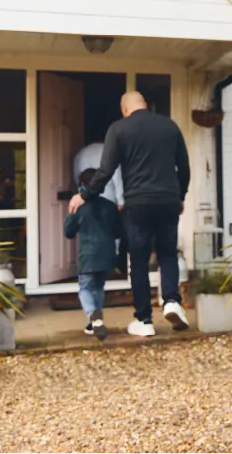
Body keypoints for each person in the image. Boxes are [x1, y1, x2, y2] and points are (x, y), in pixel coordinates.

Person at [69, 91, 191, 338]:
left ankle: (144, 320)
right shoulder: (170, 126)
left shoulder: (119, 129)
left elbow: (105, 171)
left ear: (125, 108)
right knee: (168, 254)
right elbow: (184, 167)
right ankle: (170, 301)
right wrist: (180, 196)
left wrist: (84, 195)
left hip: (138, 203)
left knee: (139, 261)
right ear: (144, 104)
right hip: (168, 200)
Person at [64, 168, 123, 341]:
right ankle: (94, 323)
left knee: (85, 288)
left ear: (82, 185)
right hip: (107, 253)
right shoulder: (110, 206)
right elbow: (119, 231)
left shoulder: (79, 208)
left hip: (88, 254)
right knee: (98, 286)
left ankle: (92, 315)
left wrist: (70, 214)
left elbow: (68, 232)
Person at [74, 142, 127, 276]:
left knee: (89, 229)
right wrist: (121, 200)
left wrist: (81, 195)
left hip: (85, 196)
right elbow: (117, 176)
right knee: (110, 230)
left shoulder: (80, 154)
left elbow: (77, 177)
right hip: (108, 193)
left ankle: (88, 265)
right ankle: (111, 264)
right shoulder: (109, 151)